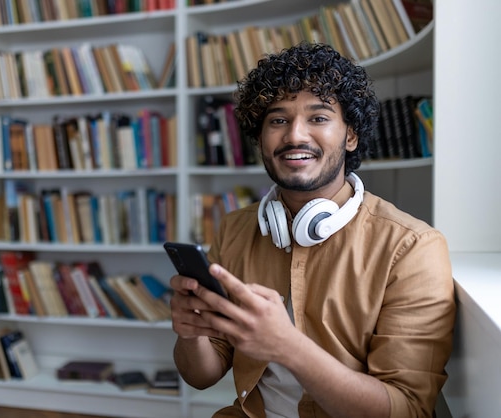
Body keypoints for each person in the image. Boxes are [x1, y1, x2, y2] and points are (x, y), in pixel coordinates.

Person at [169, 42, 455, 418]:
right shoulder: (236, 228)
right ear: (261, 137)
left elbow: (407, 409)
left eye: (318, 118)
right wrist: (190, 333)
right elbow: (202, 375)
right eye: (278, 120)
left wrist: (287, 345)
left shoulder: (413, 247)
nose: (294, 136)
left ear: (350, 135)